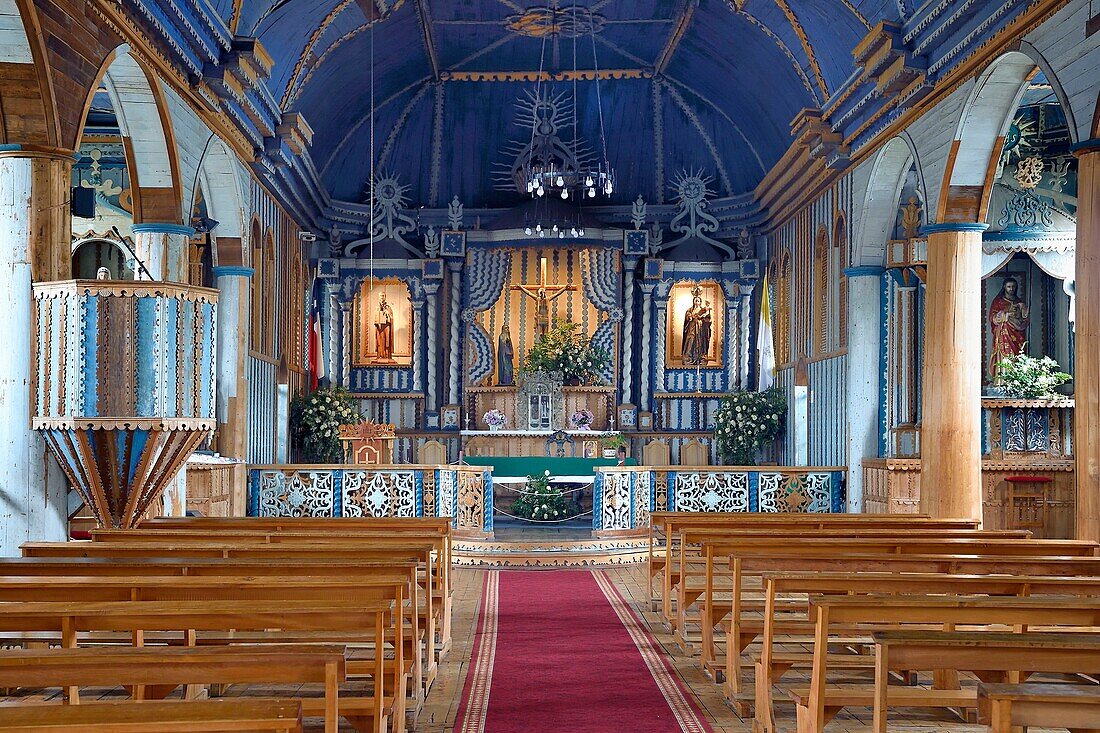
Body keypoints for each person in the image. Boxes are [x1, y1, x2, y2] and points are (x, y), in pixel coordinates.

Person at [989, 276, 1029, 381]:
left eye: (1013, 287)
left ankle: (1016, 381)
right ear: (1004, 287)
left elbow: (1025, 318)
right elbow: (992, 317)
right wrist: (1006, 315)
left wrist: (1022, 311)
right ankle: (1001, 381)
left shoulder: (1019, 301)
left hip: (1017, 333)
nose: (1011, 289)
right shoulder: (998, 301)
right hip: (1003, 332)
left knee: (1017, 355)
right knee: (1004, 354)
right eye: (1009, 287)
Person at [681, 291, 712, 365]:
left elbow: (708, 320)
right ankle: (688, 357)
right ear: (693, 301)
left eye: (698, 300)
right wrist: (690, 317)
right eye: (695, 300)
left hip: (700, 329)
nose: (697, 302)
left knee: (700, 342)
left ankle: (700, 358)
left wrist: (704, 317)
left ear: (700, 302)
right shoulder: (690, 310)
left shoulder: (703, 310)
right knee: (690, 340)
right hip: (692, 328)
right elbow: (688, 317)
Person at [374, 292, 394, 361]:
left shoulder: (388, 307)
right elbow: (375, 317)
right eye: (380, 296)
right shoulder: (377, 307)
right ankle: (380, 355)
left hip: (386, 326)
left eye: (383, 296)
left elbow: (391, 318)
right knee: (379, 340)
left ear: (385, 297)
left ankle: (387, 356)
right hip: (379, 327)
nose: (381, 297)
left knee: (387, 340)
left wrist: (387, 313)